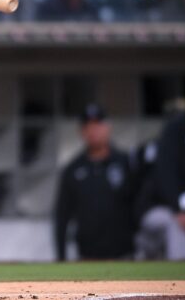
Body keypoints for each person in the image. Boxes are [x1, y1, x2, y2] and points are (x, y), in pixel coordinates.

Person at [54, 104, 136, 261]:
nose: (93, 131)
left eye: (98, 125)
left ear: (108, 127)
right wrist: (61, 257)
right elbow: (62, 216)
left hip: (125, 254)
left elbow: (140, 204)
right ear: (81, 131)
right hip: (87, 256)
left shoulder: (126, 163)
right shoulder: (73, 169)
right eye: (88, 126)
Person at [146, 83, 185, 259]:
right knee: (174, 224)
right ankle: (179, 279)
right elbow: (165, 176)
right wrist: (178, 209)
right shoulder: (176, 129)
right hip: (164, 206)